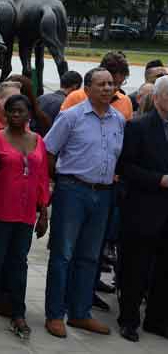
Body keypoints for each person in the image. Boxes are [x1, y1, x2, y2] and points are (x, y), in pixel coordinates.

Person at [43, 67, 125, 338]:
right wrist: (56, 183)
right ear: (87, 89)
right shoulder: (71, 117)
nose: (107, 88)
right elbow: (49, 151)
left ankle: (80, 313)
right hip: (73, 190)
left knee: (89, 257)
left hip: (103, 195)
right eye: (101, 84)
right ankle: (55, 314)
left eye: (111, 84)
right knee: (63, 254)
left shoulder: (118, 120)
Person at [0, 95, 50, 339]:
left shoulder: (37, 140)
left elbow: (41, 177)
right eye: (11, 112)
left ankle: (18, 313)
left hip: (26, 214)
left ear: (29, 113)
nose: (15, 115)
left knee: (19, 265)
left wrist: (43, 213)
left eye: (20, 111)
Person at [116, 76, 168, 342]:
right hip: (143, 209)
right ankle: (129, 320)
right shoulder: (138, 127)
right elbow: (125, 167)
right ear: (157, 98)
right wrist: (158, 179)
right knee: (136, 268)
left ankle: (157, 320)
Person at [61, 51, 133, 120]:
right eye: (112, 83)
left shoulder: (125, 102)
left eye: (120, 83)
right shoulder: (75, 98)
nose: (116, 88)